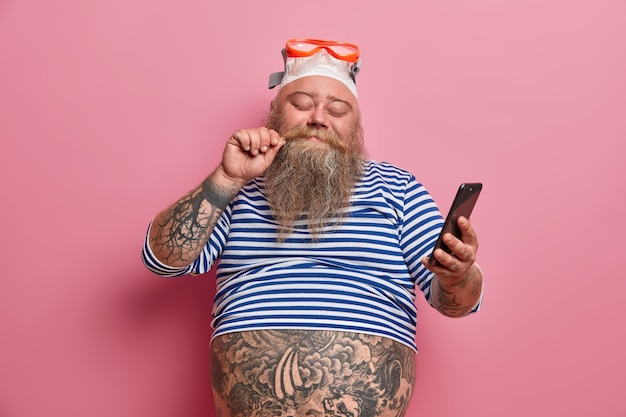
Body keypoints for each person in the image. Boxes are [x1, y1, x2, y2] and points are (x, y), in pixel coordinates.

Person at [142, 38, 484, 417]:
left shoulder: (398, 189)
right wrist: (225, 178)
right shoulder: (240, 187)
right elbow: (163, 259)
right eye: (301, 104)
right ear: (274, 113)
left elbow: (457, 305)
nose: (318, 118)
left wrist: (457, 274)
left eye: (337, 109)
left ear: (356, 126)